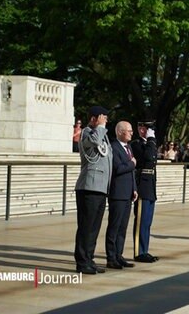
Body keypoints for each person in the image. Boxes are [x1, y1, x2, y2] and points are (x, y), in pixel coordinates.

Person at [74, 106, 113, 274]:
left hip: (101, 187)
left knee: (94, 227)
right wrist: (101, 127)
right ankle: (82, 262)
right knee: (86, 226)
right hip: (89, 186)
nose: (105, 121)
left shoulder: (102, 136)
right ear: (93, 119)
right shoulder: (87, 133)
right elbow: (95, 142)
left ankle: (89, 258)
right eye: (102, 118)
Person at [105, 121, 138, 269]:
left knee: (122, 227)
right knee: (114, 226)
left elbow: (131, 171)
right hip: (117, 193)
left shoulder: (128, 147)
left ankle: (119, 255)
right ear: (119, 132)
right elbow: (117, 168)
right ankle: (111, 257)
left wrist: (134, 188)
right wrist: (132, 163)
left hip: (127, 193)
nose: (131, 133)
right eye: (129, 131)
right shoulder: (114, 147)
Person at [130, 122, 159, 263]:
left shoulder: (150, 143)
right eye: (146, 128)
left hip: (150, 186)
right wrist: (151, 141)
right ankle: (139, 252)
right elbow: (147, 158)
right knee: (141, 221)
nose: (149, 131)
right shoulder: (136, 144)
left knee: (147, 221)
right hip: (142, 186)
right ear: (140, 128)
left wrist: (151, 141)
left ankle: (145, 250)